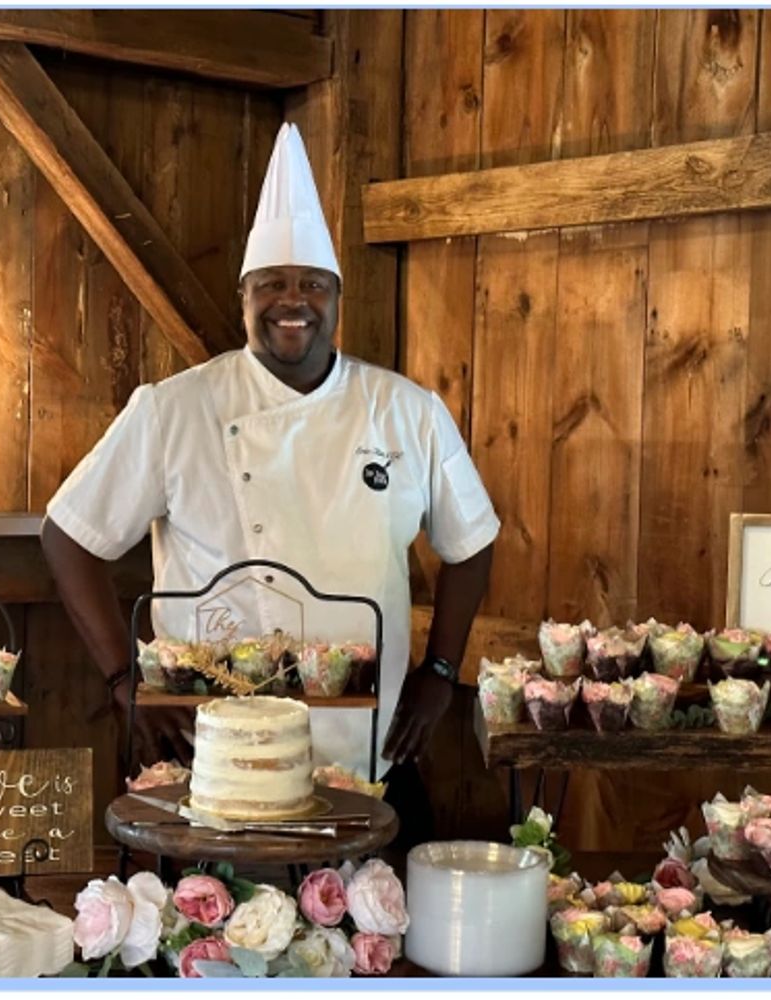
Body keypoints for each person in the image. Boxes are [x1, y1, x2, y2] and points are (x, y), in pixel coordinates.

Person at [41, 124, 499, 828]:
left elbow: (470, 543)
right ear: (244, 296)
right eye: (273, 285)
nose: (294, 302)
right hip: (210, 740)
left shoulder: (407, 411)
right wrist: (123, 680)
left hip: (362, 740)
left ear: (337, 299)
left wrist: (439, 675)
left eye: (312, 285)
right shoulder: (175, 408)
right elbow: (69, 535)